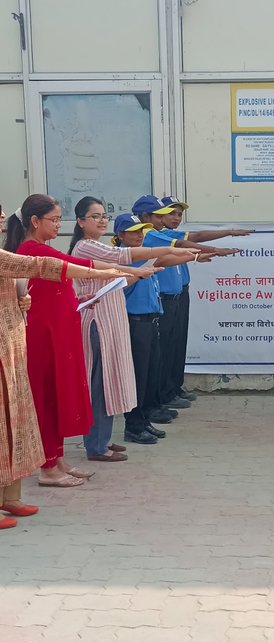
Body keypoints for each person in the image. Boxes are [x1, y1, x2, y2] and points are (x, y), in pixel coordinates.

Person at [1, 200, 129, 505]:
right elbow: (53, 267)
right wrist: (116, 270)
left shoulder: (13, 254)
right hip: (36, 335)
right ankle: (45, 467)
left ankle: (53, 461)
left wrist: (21, 299)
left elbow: (30, 281)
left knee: (54, 396)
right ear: (34, 221)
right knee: (41, 400)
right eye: (54, 220)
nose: (59, 226)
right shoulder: (28, 250)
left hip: (43, 331)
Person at [68, 197, 202, 460]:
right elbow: (121, 258)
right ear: (81, 222)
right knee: (100, 385)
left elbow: (129, 268)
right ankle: (96, 445)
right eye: (94, 216)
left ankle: (101, 440)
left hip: (111, 321)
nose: (100, 220)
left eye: (103, 216)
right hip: (99, 322)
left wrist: (186, 256)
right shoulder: (86, 247)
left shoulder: (95, 246)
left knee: (111, 383)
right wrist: (166, 252)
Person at [132, 195, 252, 414]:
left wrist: (219, 241)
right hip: (163, 299)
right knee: (164, 351)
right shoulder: (149, 235)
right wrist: (217, 247)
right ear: (145, 217)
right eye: (164, 215)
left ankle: (172, 389)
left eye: (177, 214)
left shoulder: (160, 233)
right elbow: (188, 241)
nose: (171, 219)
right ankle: (162, 395)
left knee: (176, 346)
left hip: (177, 296)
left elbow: (190, 240)